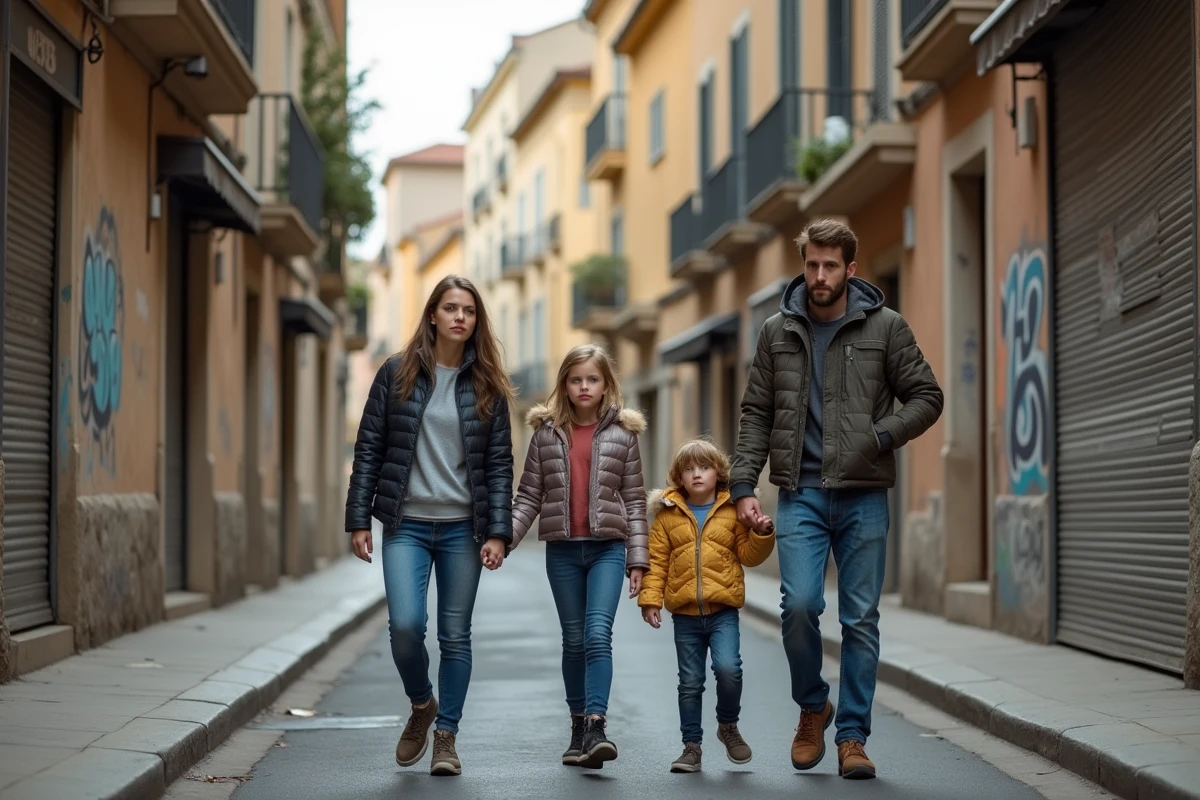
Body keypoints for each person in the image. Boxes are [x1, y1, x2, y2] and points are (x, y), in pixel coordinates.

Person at [732, 219, 943, 780]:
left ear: (851, 268)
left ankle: (852, 736)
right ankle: (812, 705)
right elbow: (756, 413)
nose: (819, 276)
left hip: (864, 494)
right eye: (811, 265)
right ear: (804, 266)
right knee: (799, 606)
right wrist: (743, 486)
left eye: (830, 266)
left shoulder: (887, 328)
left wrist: (879, 436)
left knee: (860, 621)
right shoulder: (777, 331)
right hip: (799, 494)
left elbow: (926, 396)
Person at [345, 274, 515, 777]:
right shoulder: (396, 373)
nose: (460, 317)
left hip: (464, 527)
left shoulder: (488, 384)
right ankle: (423, 704)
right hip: (407, 524)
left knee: (455, 635)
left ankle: (447, 738)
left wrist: (498, 532)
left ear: (475, 321)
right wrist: (358, 519)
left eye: (469, 310)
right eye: (451, 308)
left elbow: (500, 463)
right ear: (433, 315)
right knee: (405, 628)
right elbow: (370, 448)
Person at [509, 344, 649, 769]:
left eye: (592, 379)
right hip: (563, 552)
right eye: (576, 379)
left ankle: (596, 725)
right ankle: (576, 730)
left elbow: (636, 502)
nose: (584, 386)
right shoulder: (545, 436)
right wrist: (504, 540)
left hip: (608, 547)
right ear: (564, 386)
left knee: (596, 634)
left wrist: (637, 559)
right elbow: (529, 495)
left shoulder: (624, 437)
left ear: (606, 384)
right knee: (573, 641)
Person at [637, 438, 776, 774]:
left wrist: (761, 533)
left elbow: (748, 556)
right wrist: (650, 599)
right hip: (684, 615)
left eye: (703, 467)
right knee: (690, 682)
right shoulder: (667, 514)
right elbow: (656, 561)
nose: (696, 474)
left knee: (729, 669)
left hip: (723, 611)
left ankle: (728, 726)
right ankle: (691, 747)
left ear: (719, 472)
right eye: (688, 469)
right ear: (678, 477)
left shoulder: (733, 511)